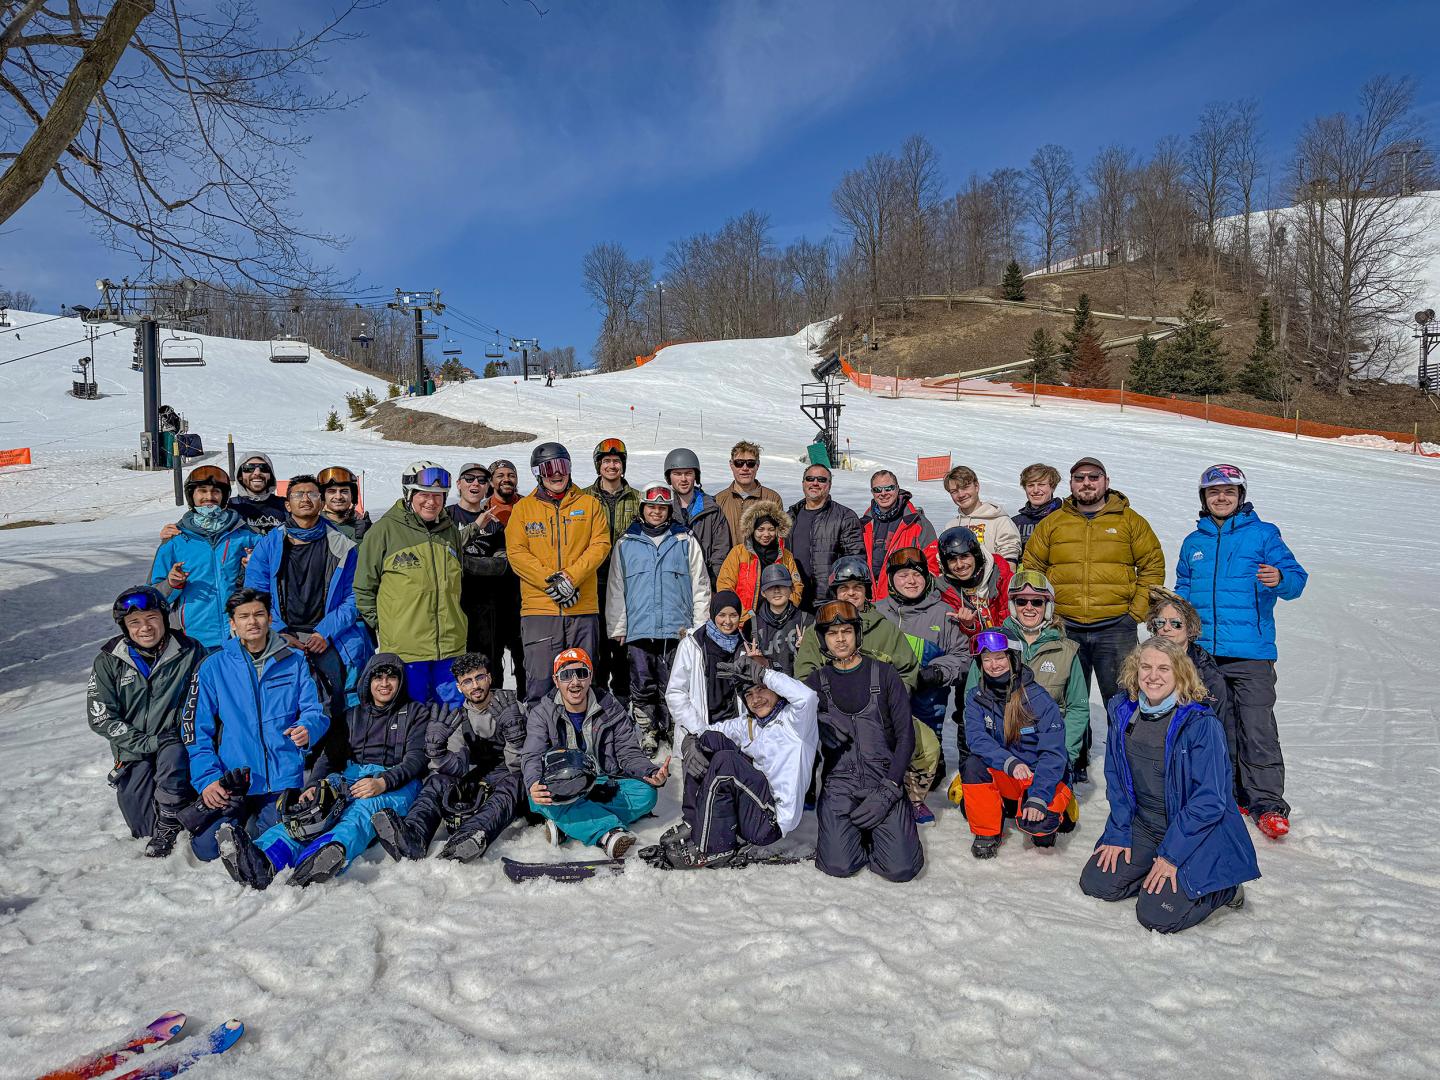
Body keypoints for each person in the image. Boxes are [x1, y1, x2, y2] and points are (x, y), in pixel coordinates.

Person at [1079, 638, 1258, 933]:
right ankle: (1153, 866)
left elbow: (1210, 799)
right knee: (1097, 882)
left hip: (1193, 832)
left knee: (1157, 915)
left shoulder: (1200, 723)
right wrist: (1118, 831)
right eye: (1145, 667)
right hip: (1146, 824)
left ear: (1180, 674)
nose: (1153, 676)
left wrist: (1172, 854)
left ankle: (1224, 889)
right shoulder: (1124, 711)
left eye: (1164, 668)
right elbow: (1117, 778)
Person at [217, 652, 430, 888]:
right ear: (368, 681)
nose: (384, 684)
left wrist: (383, 782)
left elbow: (416, 760)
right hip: (353, 774)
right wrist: (313, 786)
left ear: (400, 682)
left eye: (391, 678)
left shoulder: (415, 713)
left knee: (359, 813)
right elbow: (328, 758)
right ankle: (263, 858)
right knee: (312, 812)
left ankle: (320, 859)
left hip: (395, 780)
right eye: (377, 678)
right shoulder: (351, 716)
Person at [1176, 464, 1307, 840]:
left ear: (1240, 497)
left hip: (1251, 652)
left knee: (1258, 729)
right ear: (1204, 497)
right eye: (1214, 492)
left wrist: (1280, 579)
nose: (1221, 498)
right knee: (1216, 729)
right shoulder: (1193, 542)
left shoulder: (1264, 534)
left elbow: (1297, 580)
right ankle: (1230, 796)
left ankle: (1267, 804)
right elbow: (1183, 588)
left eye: (1229, 492)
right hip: (1203, 654)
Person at [1022, 457, 1164, 783]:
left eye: (1093, 477)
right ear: (1070, 484)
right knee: (1065, 699)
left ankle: (1127, 761)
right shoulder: (1054, 522)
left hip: (1115, 626)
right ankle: (1074, 759)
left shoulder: (1130, 521)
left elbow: (1152, 565)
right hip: (1064, 627)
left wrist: (1135, 613)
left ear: (1105, 481)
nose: (1086, 483)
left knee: (1125, 697)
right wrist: (1046, 615)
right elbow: (1031, 568)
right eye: (1079, 478)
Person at [183, 588, 328, 862]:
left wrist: (309, 727)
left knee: (273, 841)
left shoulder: (295, 661)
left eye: (259, 614)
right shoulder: (213, 667)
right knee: (207, 849)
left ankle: (256, 835)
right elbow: (194, 730)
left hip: (281, 777)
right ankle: (235, 826)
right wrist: (208, 780)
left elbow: (317, 709)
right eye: (244, 616)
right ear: (232, 623)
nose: (253, 622)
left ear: (270, 618)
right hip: (233, 779)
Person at [648, 654, 819, 869]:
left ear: (775, 687)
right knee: (707, 741)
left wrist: (765, 674)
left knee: (726, 762)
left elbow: (808, 698)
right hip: (751, 807)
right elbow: (706, 732)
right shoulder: (749, 724)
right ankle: (694, 823)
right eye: (749, 694)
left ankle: (713, 847)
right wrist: (690, 742)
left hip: (770, 821)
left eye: (761, 689)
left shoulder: (796, 723)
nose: (756, 699)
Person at [244, 474, 373, 729]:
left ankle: (335, 750)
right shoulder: (268, 546)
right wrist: (279, 632)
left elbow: (354, 596)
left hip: (327, 634)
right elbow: (255, 596)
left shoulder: (342, 546)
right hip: (283, 634)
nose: (306, 499)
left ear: (321, 501)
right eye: (298, 495)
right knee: (284, 699)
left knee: (339, 695)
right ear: (288, 505)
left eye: (312, 494)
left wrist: (325, 632)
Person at [806, 600, 923, 882]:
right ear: (824, 639)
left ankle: (883, 831)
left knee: (901, 869)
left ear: (857, 633)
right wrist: (816, 726)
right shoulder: (815, 682)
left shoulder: (885, 675)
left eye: (846, 631)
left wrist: (890, 790)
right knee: (838, 866)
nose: (841, 639)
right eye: (833, 634)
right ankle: (856, 836)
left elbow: (906, 736)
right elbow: (788, 727)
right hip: (839, 785)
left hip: (882, 780)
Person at [372, 652, 526, 863]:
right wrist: (438, 753)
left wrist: (516, 738)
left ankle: (470, 837)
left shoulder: (511, 707)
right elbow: (457, 768)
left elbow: (520, 766)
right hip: (475, 779)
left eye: (480, 677)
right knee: (436, 781)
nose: (475, 686)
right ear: (459, 687)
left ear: (489, 677)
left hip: (507, 778)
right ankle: (413, 835)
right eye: (467, 681)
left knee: (515, 782)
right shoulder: (458, 718)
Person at [87, 586, 206, 857]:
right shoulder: (109, 660)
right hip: (133, 749)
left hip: (177, 743)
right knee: (142, 828)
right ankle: (170, 813)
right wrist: (145, 742)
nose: (145, 628)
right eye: (134, 622)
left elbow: (210, 695)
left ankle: (173, 815)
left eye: (151, 618)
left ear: (164, 617)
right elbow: (100, 716)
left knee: (172, 755)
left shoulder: (190, 650)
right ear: (125, 626)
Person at [522, 648, 670, 859]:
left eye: (581, 673)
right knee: (538, 797)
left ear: (590, 676)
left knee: (646, 794)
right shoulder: (542, 713)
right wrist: (534, 782)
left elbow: (628, 751)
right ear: (556, 681)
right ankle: (608, 834)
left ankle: (569, 823)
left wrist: (649, 771)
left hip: (601, 783)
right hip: (560, 786)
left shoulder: (610, 707)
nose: (575, 682)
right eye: (566, 675)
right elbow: (532, 755)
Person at [605, 482, 710, 754]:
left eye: (662, 507)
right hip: (640, 628)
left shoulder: (685, 540)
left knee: (673, 682)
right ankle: (647, 728)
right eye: (651, 506)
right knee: (641, 682)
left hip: (678, 629)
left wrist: (699, 628)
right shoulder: (627, 543)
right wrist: (618, 625)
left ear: (669, 510)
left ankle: (673, 725)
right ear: (642, 509)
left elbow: (700, 585)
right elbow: (616, 587)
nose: (656, 512)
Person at [505, 442, 611, 704]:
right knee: (541, 680)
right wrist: (552, 582)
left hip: (582, 608)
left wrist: (570, 579)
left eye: (562, 466)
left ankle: (588, 738)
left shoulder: (590, 505)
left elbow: (600, 545)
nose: (557, 473)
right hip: (540, 611)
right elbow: (517, 553)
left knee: (583, 679)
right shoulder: (523, 509)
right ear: (538, 472)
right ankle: (542, 741)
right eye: (549, 467)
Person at [354, 461, 466, 707]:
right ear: (409, 494)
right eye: (424, 494)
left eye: (438, 496)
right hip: (406, 651)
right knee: (411, 717)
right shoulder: (384, 531)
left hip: (450, 647)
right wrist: (387, 624)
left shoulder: (450, 533)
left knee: (452, 718)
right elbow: (363, 588)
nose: (432, 502)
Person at [874, 547, 971, 821]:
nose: (910, 580)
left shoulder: (943, 613)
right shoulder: (878, 611)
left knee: (925, 752)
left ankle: (915, 798)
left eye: (916, 574)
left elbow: (963, 657)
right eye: (902, 575)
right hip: (886, 701)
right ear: (892, 580)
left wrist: (937, 673)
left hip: (928, 703)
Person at [961, 570, 1088, 774]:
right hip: (1001, 753)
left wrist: (1062, 754)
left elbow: (1078, 708)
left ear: (1047, 607)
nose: (1029, 608)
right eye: (1021, 602)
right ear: (1013, 606)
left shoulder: (1067, 651)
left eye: (1037, 602)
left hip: (1047, 749)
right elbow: (973, 701)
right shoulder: (994, 643)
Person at [961, 630, 1074, 858]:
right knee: (972, 765)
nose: (993, 665)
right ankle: (987, 832)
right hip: (1008, 772)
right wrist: (1009, 762)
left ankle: (1051, 810)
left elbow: (1053, 754)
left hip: (1039, 776)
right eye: (987, 659)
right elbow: (976, 739)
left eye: (1000, 657)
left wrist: (1039, 796)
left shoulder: (1038, 699)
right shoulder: (975, 697)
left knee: (1041, 830)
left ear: (1013, 658)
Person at [150, 465, 258, 648]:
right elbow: (153, 597)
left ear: (224, 496)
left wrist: (253, 567)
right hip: (192, 638)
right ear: (191, 496)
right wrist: (171, 584)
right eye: (202, 491)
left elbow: (273, 572)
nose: (209, 497)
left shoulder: (245, 536)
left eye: (216, 491)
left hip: (239, 635)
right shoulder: (175, 541)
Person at [1144, 586, 1235, 785]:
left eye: (1176, 623)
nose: (1166, 628)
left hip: (1193, 758)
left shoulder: (1207, 672)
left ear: (1190, 628)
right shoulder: (1142, 661)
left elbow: (1218, 731)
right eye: (1160, 622)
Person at [667, 591, 750, 799]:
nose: (728, 621)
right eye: (722, 615)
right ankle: (694, 823)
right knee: (698, 787)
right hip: (698, 728)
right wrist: (700, 730)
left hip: (731, 729)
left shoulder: (745, 646)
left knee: (728, 789)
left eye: (733, 615)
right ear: (713, 614)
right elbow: (676, 692)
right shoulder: (693, 644)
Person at [457, 459, 525, 691]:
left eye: (511, 474)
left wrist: (464, 562)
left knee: (521, 654)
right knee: (483, 659)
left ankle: (525, 702)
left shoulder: (527, 507)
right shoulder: (457, 514)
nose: (506, 479)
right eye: (499, 475)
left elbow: (504, 562)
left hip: (514, 597)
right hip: (469, 604)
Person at [585, 438, 640, 703]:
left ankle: (622, 700)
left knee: (622, 647)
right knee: (596, 647)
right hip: (592, 581)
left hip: (625, 584)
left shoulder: (637, 499)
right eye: (606, 461)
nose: (611, 466)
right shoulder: (583, 498)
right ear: (598, 465)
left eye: (616, 461)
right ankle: (597, 700)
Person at [787, 462, 862, 611]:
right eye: (810, 479)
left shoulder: (844, 516)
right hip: (795, 602)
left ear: (829, 485)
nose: (815, 483)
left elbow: (855, 563)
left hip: (829, 602)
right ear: (803, 483)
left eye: (821, 480)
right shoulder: (790, 517)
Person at [859, 469, 938, 601]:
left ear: (897, 488)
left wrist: (918, 597)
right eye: (877, 490)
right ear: (872, 492)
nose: (883, 493)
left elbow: (932, 566)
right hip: (871, 601)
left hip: (904, 602)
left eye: (889, 488)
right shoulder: (864, 524)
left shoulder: (917, 523)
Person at [716, 501, 803, 617]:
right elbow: (725, 586)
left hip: (778, 619)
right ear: (752, 530)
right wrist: (735, 615)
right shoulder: (738, 553)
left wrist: (786, 610)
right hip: (744, 620)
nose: (766, 534)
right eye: (761, 529)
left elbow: (796, 586)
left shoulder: (785, 556)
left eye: (771, 529)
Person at [664, 447, 732, 586]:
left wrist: (712, 582)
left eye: (688, 473)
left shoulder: (711, 509)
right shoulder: (662, 508)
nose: (683, 479)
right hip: (670, 583)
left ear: (696, 476)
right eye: (677, 474)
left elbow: (721, 550)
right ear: (669, 477)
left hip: (704, 581)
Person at [935, 526, 1014, 643]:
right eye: (952, 559)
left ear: (976, 555)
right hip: (979, 649)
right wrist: (969, 625)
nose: (959, 565)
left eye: (964, 556)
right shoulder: (946, 590)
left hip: (1010, 642)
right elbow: (959, 639)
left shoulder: (1001, 575)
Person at [942, 465, 1021, 562]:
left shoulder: (999, 520)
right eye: (954, 491)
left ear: (976, 487)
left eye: (965, 487)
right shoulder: (951, 527)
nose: (961, 495)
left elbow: (1009, 559)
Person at [750, 563, 814, 677]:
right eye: (770, 587)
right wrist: (753, 661)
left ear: (792, 589)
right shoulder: (750, 625)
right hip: (766, 690)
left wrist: (806, 651)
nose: (776, 591)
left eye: (782, 585)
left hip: (799, 689)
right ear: (763, 593)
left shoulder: (808, 621)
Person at [715, 440, 783, 542]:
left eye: (750, 463)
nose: (745, 468)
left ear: (757, 465)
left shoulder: (772, 499)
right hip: (728, 558)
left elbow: (779, 538)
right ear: (731, 465)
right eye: (739, 463)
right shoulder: (719, 500)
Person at [230, 452, 288, 532]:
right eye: (249, 468)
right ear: (240, 476)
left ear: (270, 476)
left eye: (264, 468)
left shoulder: (286, 506)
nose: (257, 473)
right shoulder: (230, 507)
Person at [1012, 463, 1062, 556]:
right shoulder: (1014, 523)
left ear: (1052, 487)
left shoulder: (1065, 518)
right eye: (1030, 485)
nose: (1035, 490)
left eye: (1041, 484)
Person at [318, 465, 372, 542]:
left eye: (344, 491)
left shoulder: (364, 528)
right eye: (332, 491)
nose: (338, 497)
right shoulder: (311, 526)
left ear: (352, 496)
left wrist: (371, 536)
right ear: (323, 496)